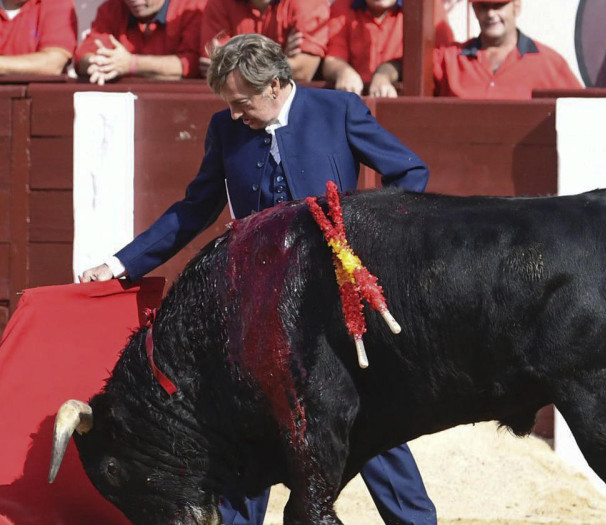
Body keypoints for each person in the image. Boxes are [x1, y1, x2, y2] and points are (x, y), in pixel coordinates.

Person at [80, 33, 437, 525]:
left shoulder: (339, 110)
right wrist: (121, 264)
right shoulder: (226, 130)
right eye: (228, 104)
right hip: (261, 306)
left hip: (333, 303)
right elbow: (194, 210)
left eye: (242, 103)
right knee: (253, 418)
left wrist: (368, 235)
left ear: (275, 85)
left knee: (364, 417)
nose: (234, 115)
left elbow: (410, 172)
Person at [368, 0, 580, 99]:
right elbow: (404, 66)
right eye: (483, 6)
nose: (490, 14)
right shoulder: (450, 57)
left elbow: (585, 111)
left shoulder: (550, 62)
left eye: (498, 6)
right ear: (474, 10)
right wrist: (382, 76)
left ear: (516, 6)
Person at [321, 0, 453, 95]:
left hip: (409, 109)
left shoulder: (429, 6)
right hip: (356, 106)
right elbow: (333, 60)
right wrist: (344, 72)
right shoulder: (342, 6)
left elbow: (443, 64)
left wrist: (385, 75)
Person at [75, 0, 206, 84]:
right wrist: (102, 63)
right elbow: (82, 56)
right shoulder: (112, 8)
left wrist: (131, 64)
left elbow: (191, 65)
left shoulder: (192, 7)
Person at [198, 0, 328, 81]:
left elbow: (303, 71)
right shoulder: (219, 3)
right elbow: (214, 66)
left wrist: (233, 65)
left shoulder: (309, 2)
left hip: (291, 102)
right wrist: (281, 58)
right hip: (236, 104)